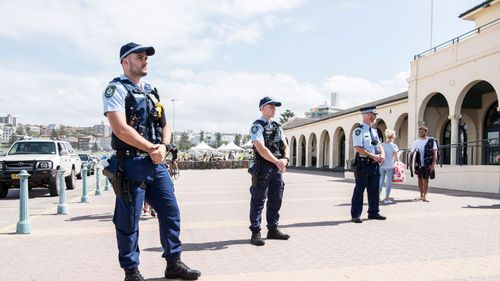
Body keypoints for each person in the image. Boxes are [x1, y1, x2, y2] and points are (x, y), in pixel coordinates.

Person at [102, 42, 200, 281]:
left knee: (170, 212)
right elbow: (120, 128)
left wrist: (163, 147)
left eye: (146, 57)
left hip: (156, 164)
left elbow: (165, 125)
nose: (145, 61)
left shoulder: (152, 91)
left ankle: (174, 263)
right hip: (130, 163)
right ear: (125, 62)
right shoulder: (116, 89)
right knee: (128, 221)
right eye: (139, 57)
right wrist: (150, 148)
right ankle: (131, 271)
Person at [248, 96, 290, 246]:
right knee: (258, 200)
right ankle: (255, 231)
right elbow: (260, 148)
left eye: (274, 107)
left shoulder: (279, 127)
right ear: (262, 108)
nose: (274, 109)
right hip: (263, 167)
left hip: (277, 167)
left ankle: (273, 229)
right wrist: (278, 161)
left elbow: (285, 146)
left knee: (276, 198)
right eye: (270, 106)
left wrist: (285, 159)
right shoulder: (257, 126)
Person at [350, 106, 386, 223]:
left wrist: (382, 154)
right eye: (373, 114)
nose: (375, 117)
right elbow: (358, 148)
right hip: (363, 164)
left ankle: (373, 212)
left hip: (375, 165)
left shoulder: (374, 131)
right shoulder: (358, 130)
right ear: (368, 115)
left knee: (374, 189)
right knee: (359, 190)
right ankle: (355, 215)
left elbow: (379, 144)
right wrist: (373, 156)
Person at [409, 125, 438, 202]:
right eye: (419, 131)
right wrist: (410, 164)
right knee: (419, 179)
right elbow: (411, 153)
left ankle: (425, 196)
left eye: (422, 131)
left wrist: (433, 165)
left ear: (426, 132)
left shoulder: (431, 141)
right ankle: (421, 195)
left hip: (427, 163)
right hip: (418, 164)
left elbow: (435, 153)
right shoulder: (416, 142)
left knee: (426, 180)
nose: (420, 132)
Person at [379, 129, 400, 204]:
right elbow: (396, 158)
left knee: (380, 181)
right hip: (390, 165)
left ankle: (377, 197)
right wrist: (399, 154)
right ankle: (387, 198)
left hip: (382, 165)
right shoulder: (394, 146)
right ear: (393, 136)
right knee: (388, 182)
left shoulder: (382, 145)